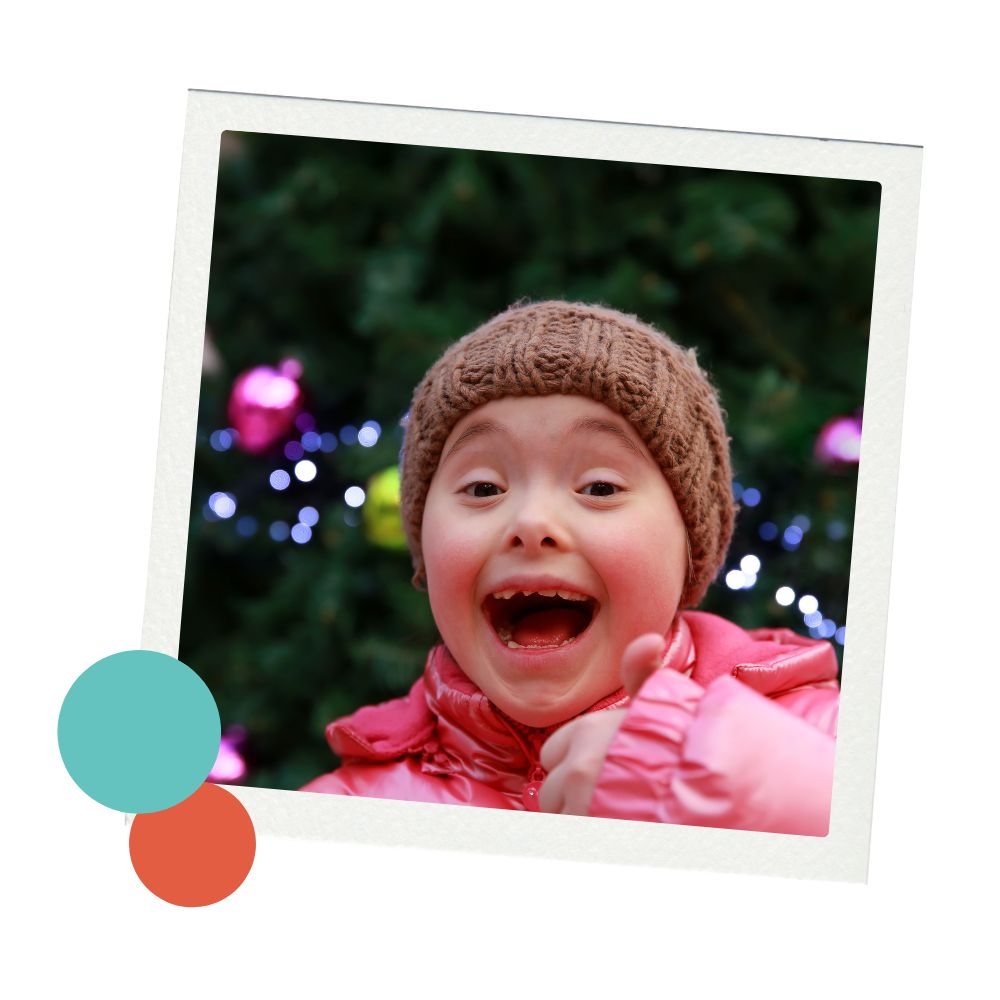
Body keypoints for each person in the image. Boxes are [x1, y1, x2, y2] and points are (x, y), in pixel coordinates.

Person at [302, 300, 839, 835]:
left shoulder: (822, 744)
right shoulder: (346, 811)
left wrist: (739, 790)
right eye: (484, 488)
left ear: (690, 547)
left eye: (600, 487)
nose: (533, 522)